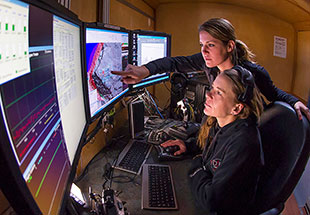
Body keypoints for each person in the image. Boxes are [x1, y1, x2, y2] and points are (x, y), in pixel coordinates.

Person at [112, 18, 310, 121]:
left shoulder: (252, 73)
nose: (204, 51)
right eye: (201, 44)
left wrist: (295, 102)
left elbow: (274, 94)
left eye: (211, 45)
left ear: (230, 46)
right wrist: (144, 70)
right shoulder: (208, 62)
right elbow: (173, 63)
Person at [164, 66, 264, 214]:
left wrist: (196, 164)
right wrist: (188, 146)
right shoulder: (221, 123)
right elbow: (212, 146)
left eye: (218, 93)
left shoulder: (243, 143)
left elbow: (212, 201)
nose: (208, 95)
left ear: (236, 108)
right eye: (212, 88)